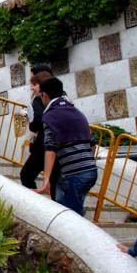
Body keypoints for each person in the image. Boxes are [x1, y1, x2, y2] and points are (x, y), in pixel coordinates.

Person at [35, 77, 97, 214]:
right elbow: (92, 144)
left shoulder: (50, 117)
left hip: (75, 175)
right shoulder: (77, 112)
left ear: (44, 95)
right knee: (61, 199)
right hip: (90, 171)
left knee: (71, 216)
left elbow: (50, 149)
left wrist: (46, 180)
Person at [19, 68, 57, 191]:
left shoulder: (39, 99)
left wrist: (30, 120)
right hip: (56, 145)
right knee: (54, 182)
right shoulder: (61, 97)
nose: (32, 88)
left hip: (43, 146)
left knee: (26, 175)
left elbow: (39, 121)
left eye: (35, 84)